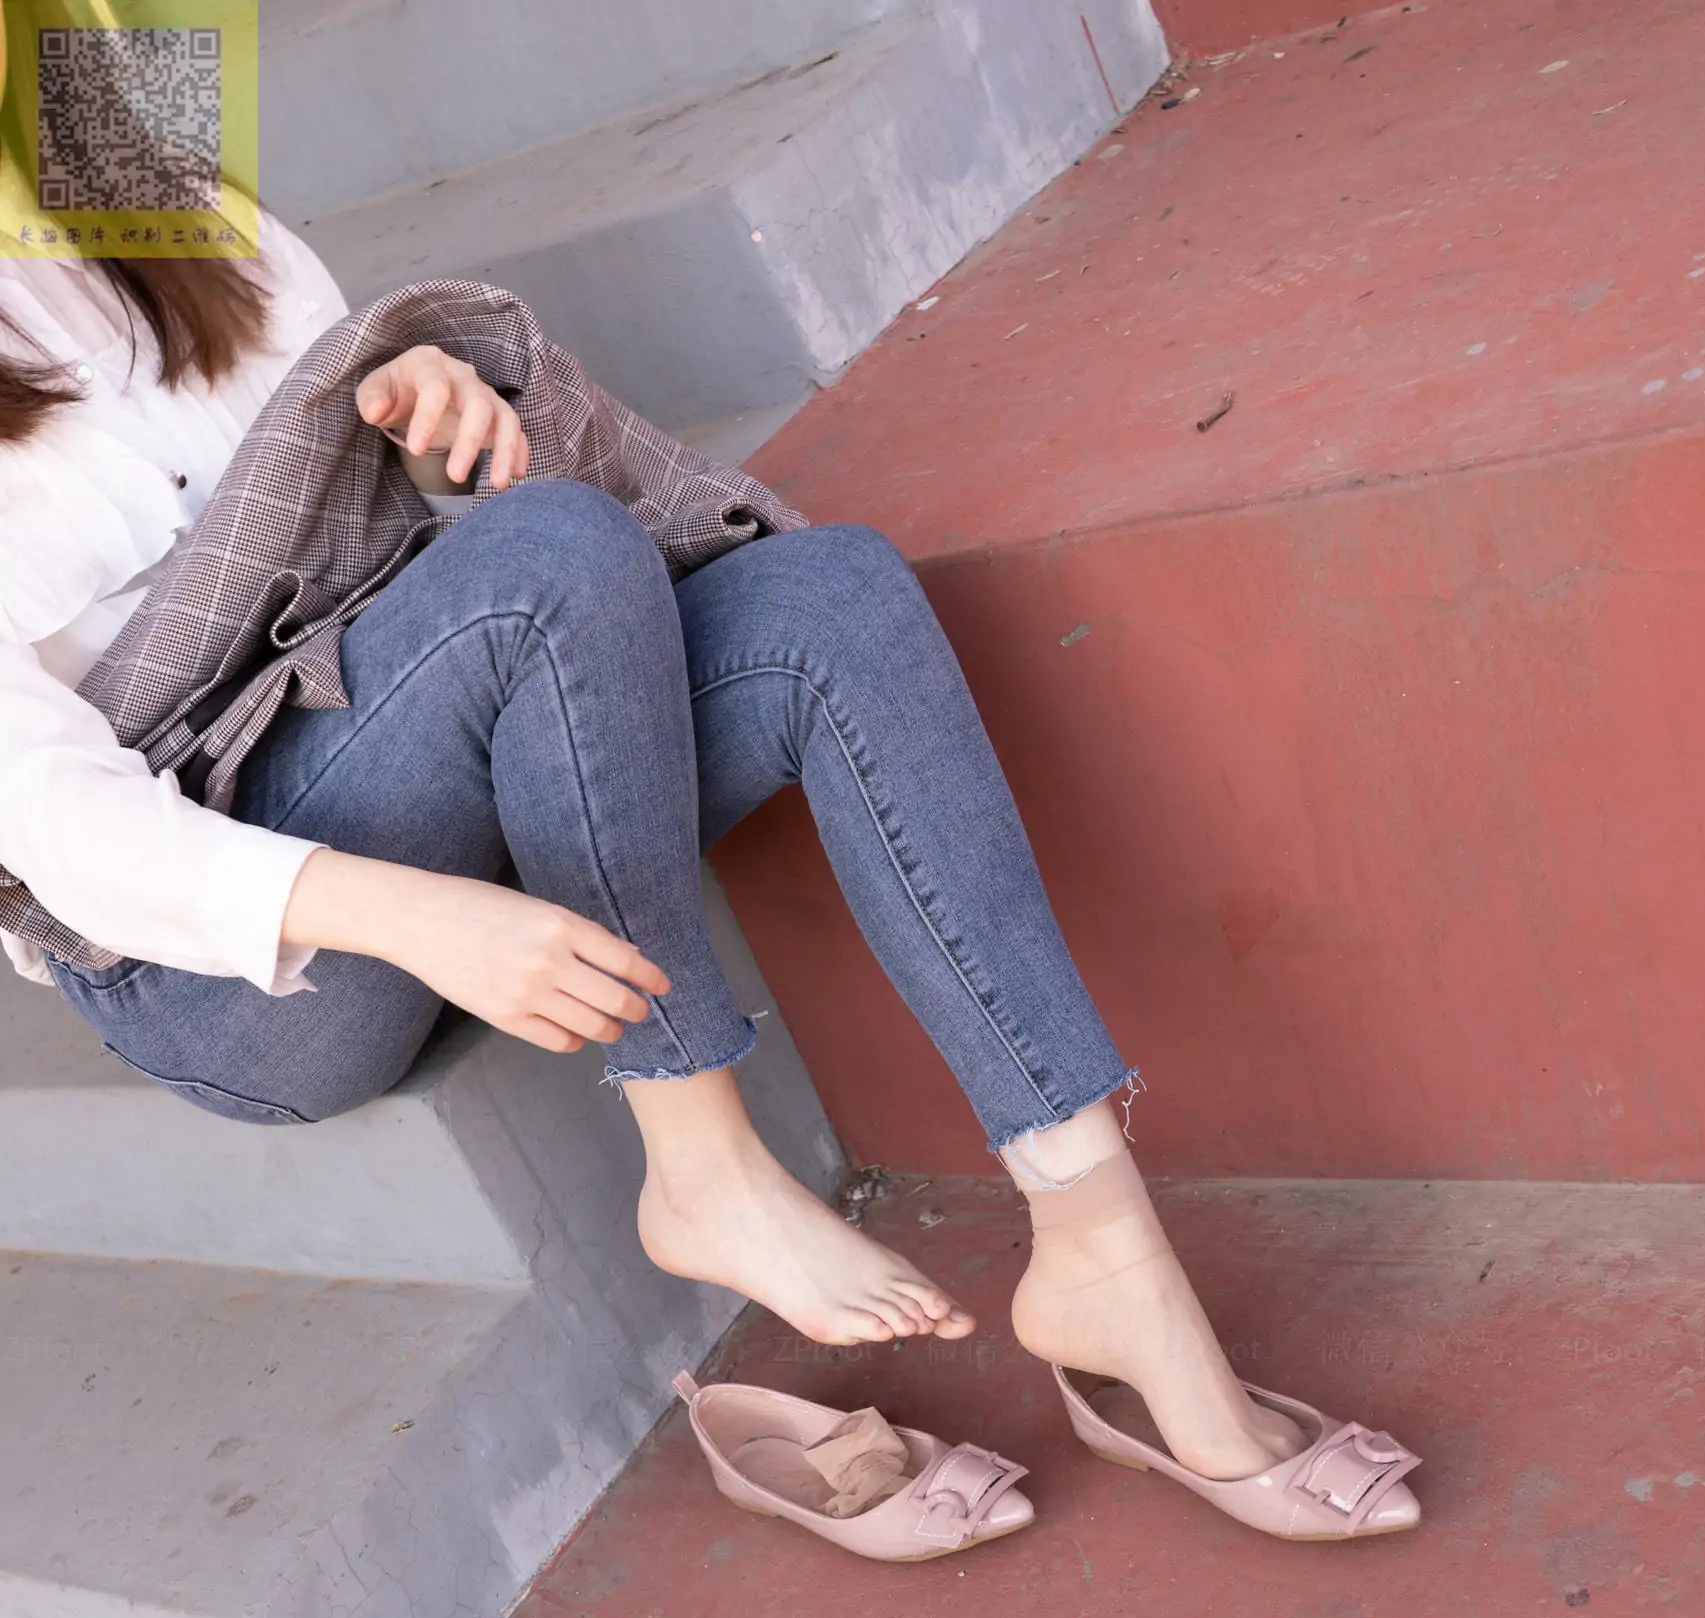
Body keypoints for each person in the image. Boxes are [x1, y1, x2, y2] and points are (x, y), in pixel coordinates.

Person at [0, 215, 1421, 1542]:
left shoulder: (134, 156)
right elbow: (52, 822)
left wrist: (429, 429)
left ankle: (1102, 1244)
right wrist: (414, 914)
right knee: (549, 556)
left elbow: (347, 525)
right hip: (218, 959)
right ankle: (701, 1165)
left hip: (403, 732)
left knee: (833, 599)